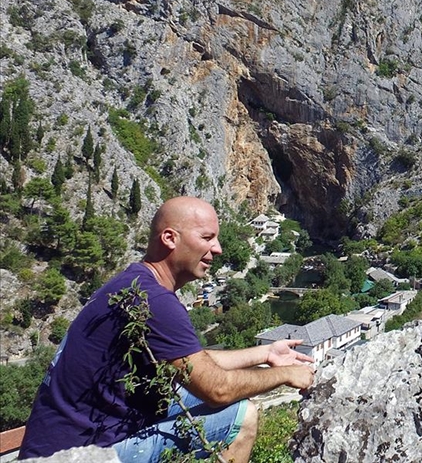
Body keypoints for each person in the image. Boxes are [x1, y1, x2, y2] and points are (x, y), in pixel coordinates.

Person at [19, 197, 315, 462]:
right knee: (242, 416)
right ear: (170, 238)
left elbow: (192, 363)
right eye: (207, 237)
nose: (218, 249)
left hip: (56, 440)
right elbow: (217, 389)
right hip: (78, 454)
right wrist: (286, 374)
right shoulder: (155, 301)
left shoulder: (133, 282)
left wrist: (265, 352)